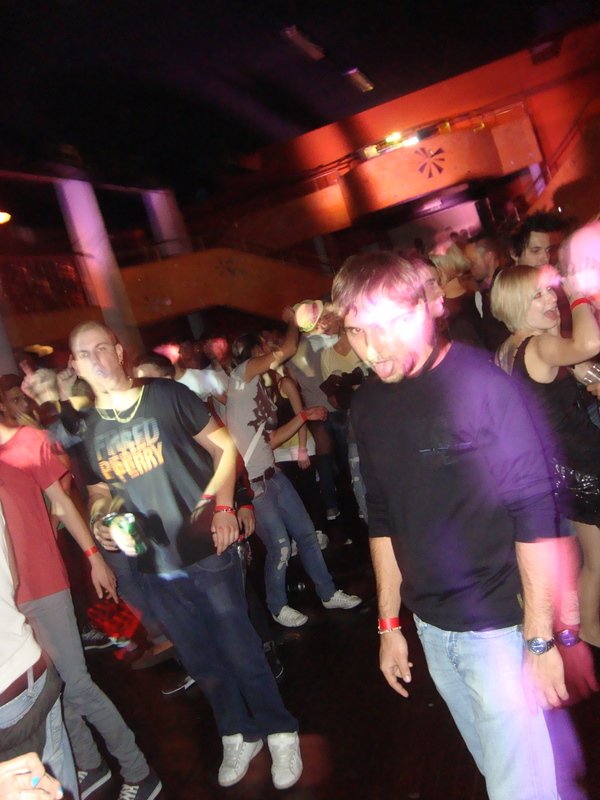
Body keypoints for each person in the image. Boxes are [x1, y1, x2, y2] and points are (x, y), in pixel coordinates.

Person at [332, 249, 594, 800]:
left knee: (519, 790)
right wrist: (389, 625)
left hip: (500, 629)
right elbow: (382, 515)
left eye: (387, 325)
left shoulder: (482, 385)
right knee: (502, 774)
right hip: (433, 628)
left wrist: (539, 642)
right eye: (357, 330)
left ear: (423, 308)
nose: (372, 348)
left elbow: (535, 515)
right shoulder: (367, 405)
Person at [70, 321, 302, 791]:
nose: (96, 359)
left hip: (205, 547)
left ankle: (280, 730)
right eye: (84, 354)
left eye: (102, 347)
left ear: (119, 351)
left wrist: (225, 506)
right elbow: (97, 490)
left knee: (239, 645)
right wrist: (100, 519)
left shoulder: (164, 396)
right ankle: (237, 733)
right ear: (75, 366)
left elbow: (224, 447)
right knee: (199, 657)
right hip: (152, 564)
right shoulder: (86, 429)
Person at [0, 414, 160, 800]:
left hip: (43, 586)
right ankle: (91, 764)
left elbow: (63, 504)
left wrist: (94, 558)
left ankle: (140, 772)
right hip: (10, 603)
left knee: (78, 686)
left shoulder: (26, 442)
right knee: (52, 693)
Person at [492, 223, 600, 649]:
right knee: (596, 563)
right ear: (518, 304)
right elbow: (588, 343)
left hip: (566, 468)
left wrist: (580, 372)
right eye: (538, 296)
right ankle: (586, 628)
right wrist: (579, 294)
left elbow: (562, 372)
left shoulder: (510, 349)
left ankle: (582, 625)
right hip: (586, 464)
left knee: (594, 561)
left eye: (550, 292)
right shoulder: (537, 346)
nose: (551, 300)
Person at [226, 310, 362, 628]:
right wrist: (291, 319)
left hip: (273, 474)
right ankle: (277, 606)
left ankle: (328, 593)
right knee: (281, 546)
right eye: (264, 345)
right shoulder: (241, 377)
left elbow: (269, 440)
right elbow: (287, 349)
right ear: (253, 352)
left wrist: (303, 417)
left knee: (307, 535)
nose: (270, 350)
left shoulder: (257, 388)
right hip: (254, 484)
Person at [0, 508, 76, 799]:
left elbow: (60, 503)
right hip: (27, 662)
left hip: (12, 690)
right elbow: (13, 576)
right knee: (54, 778)